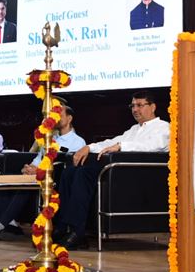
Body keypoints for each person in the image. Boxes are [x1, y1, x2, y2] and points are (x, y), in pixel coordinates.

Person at [54, 91, 170, 249]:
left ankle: (77, 231)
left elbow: (152, 146)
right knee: (71, 171)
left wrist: (122, 146)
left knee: (83, 174)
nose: (135, 109)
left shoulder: (163, 128)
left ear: (153, 107)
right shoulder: (133, 130)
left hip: (138, 177)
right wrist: (88, 147)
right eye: (133, 106)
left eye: (139, 105)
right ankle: (64, 227)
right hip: (120, 174)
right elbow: (112, 141)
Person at [0, 105, 86, 240]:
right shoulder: (49, 138)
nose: (55, 119)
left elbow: (66, 164)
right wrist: (29, 167)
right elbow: (38, 158)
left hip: (54, 178)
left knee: (28, 185)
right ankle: (8, 225)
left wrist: (39, 170)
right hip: (35, 174)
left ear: (69, 118)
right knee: (4, 180)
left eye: (59, 116)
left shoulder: (77, 142)